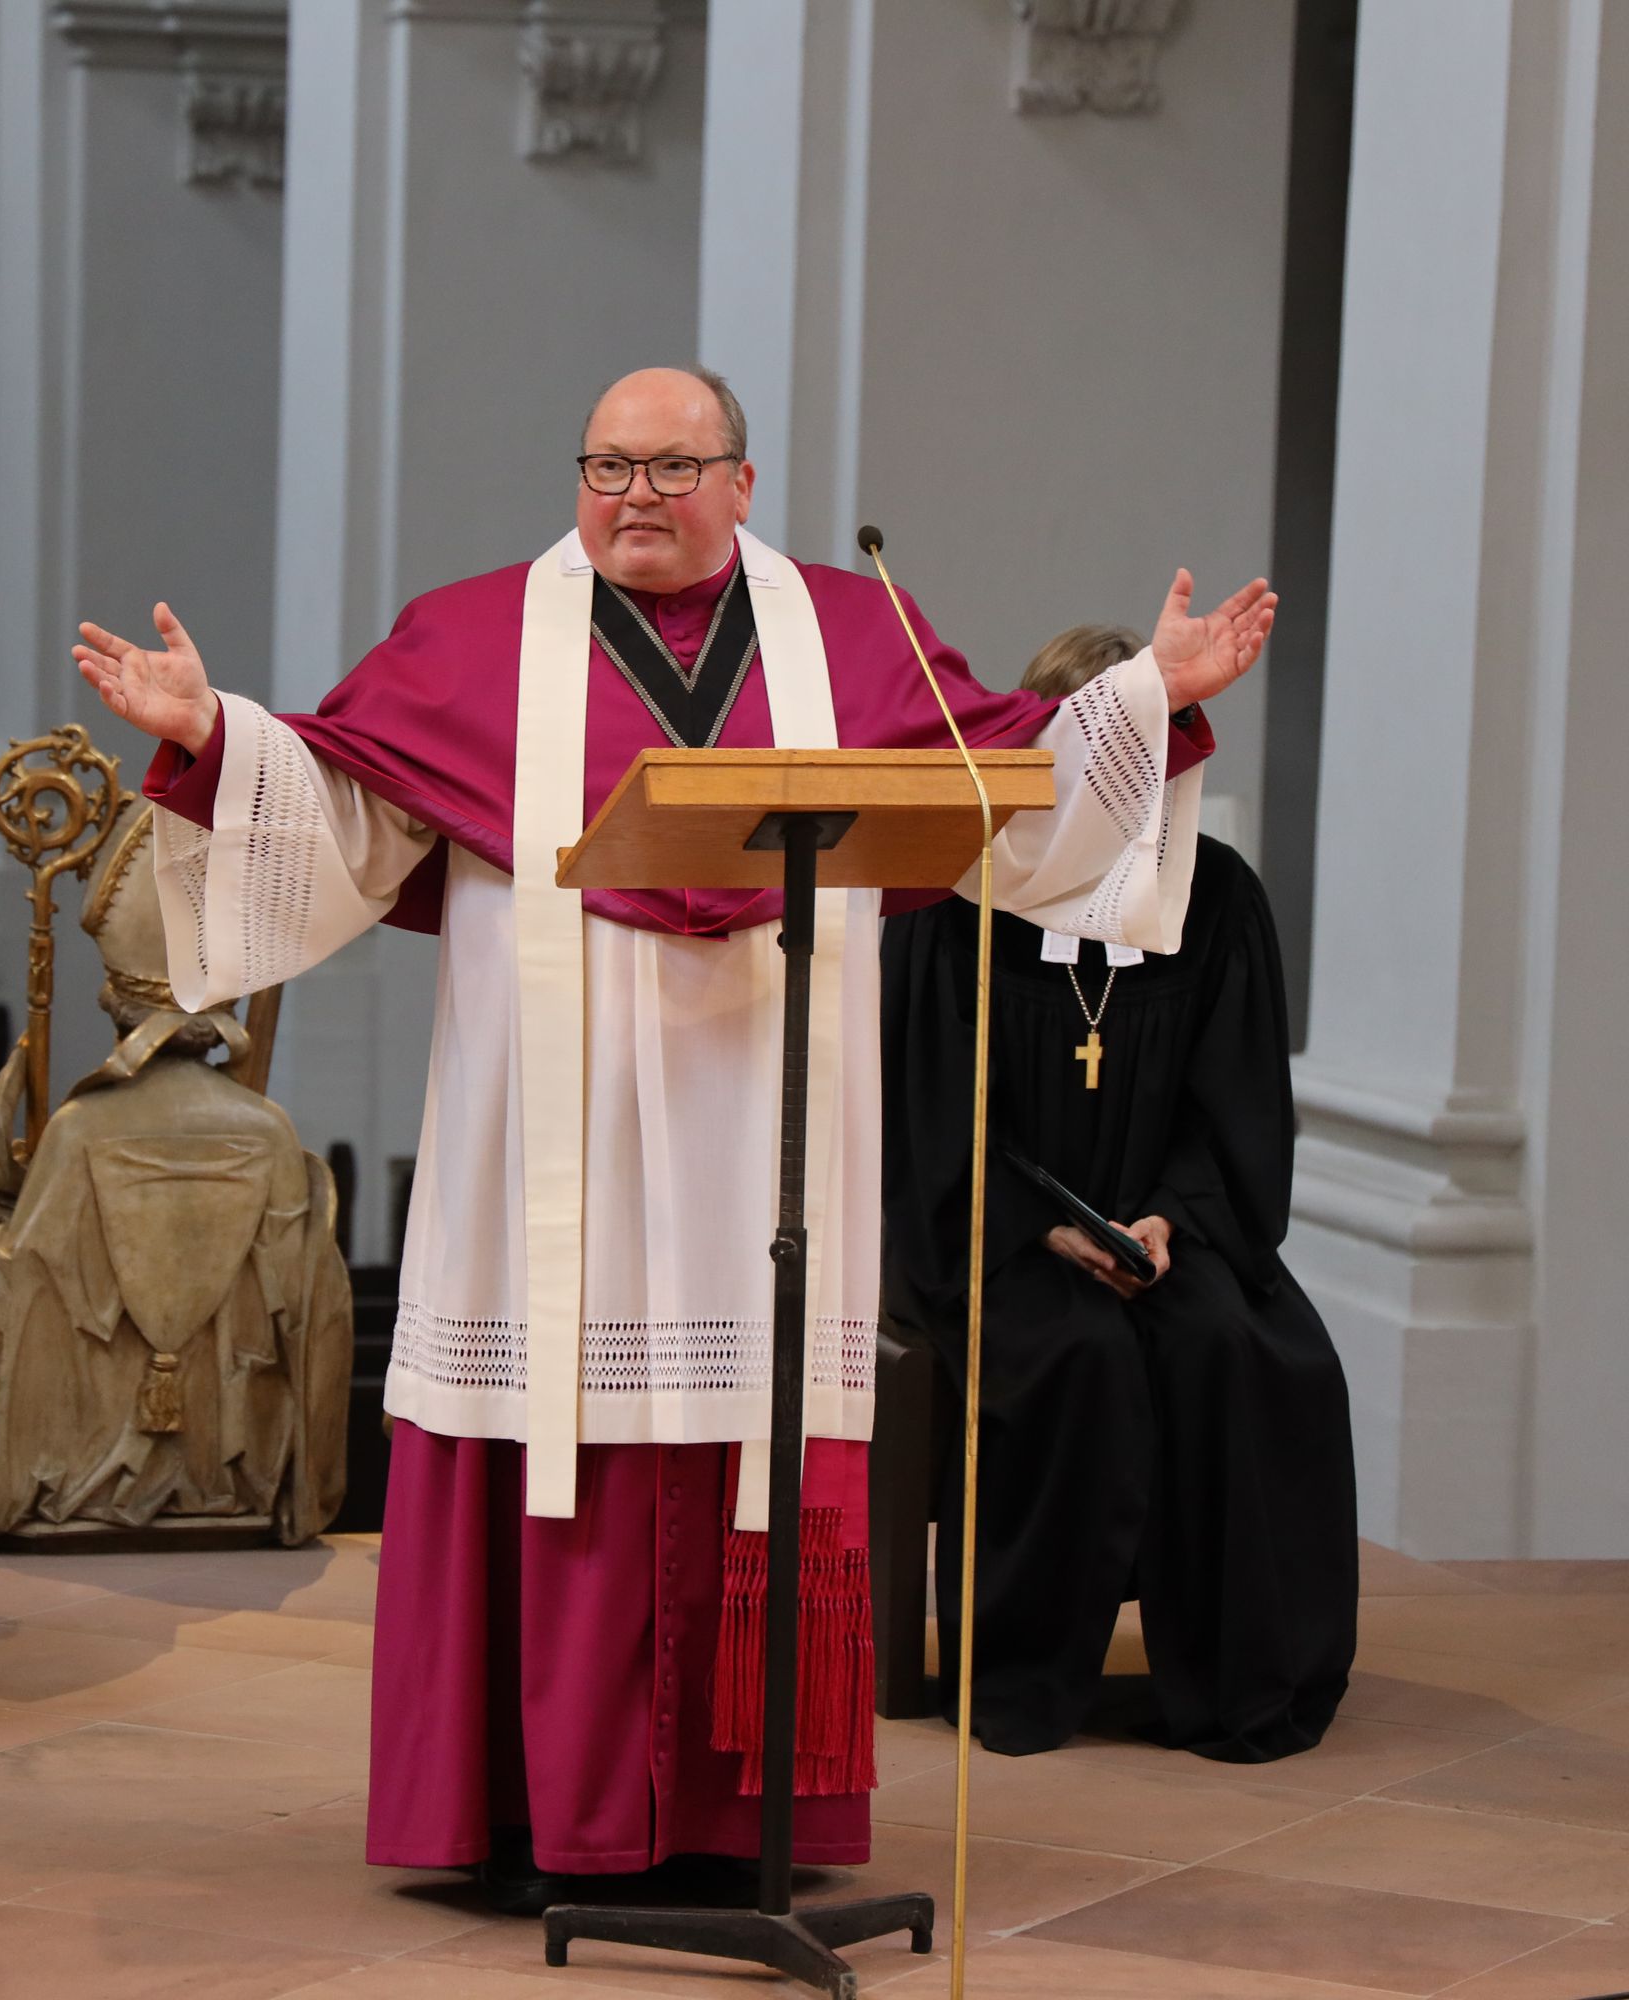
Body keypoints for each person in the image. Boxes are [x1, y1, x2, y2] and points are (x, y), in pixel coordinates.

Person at [72, 366, 1274, 1902]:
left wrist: (1150, 694)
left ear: (741, 482)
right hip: (548, 1130)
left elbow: (1007, 780)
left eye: (671, 467)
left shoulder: (851, 631)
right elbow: (350, 811)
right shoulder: (473, 635)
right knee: (553, 1420)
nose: (635, 495)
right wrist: (214, 735)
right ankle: (538, 1813)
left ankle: (737, 1821)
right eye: (608, 466)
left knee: (756, 1425)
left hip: (765, 1124)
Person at [880, 622, 1357, 1764]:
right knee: (1077, 1356)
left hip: (1164, 1227)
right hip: (993, 1232)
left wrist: (1168, 1217)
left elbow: (1234, 1102)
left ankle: (1236, 1684)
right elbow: (924, 1108)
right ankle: (1023, 1676)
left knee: (1236, 1350)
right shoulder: (955, 900)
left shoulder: (1215, 896)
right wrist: (1038, 1224)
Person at [0, 802, 355, 1551]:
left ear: (116, 1004)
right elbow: (311, 1316)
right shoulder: (268, 1129)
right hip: (232, 1466)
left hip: (79, 1469)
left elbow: (17, 1302)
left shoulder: (80, 1128)